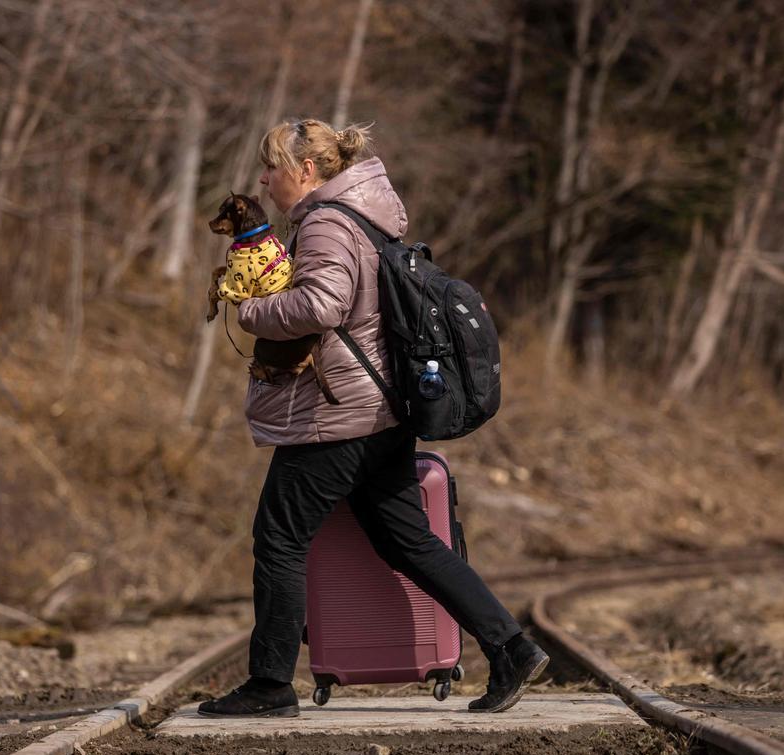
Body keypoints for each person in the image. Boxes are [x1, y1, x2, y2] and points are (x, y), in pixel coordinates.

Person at [197, 119, 548, 718]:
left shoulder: (328, 222)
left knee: (279, 538)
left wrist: (251, 310)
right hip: (382, 411)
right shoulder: (365, 214)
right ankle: (512, 648)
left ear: (306, 171)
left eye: (272, 165)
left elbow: (321, 305)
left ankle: (269, 685)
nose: (262, 178)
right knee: (408, 540)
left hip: (339, 416)